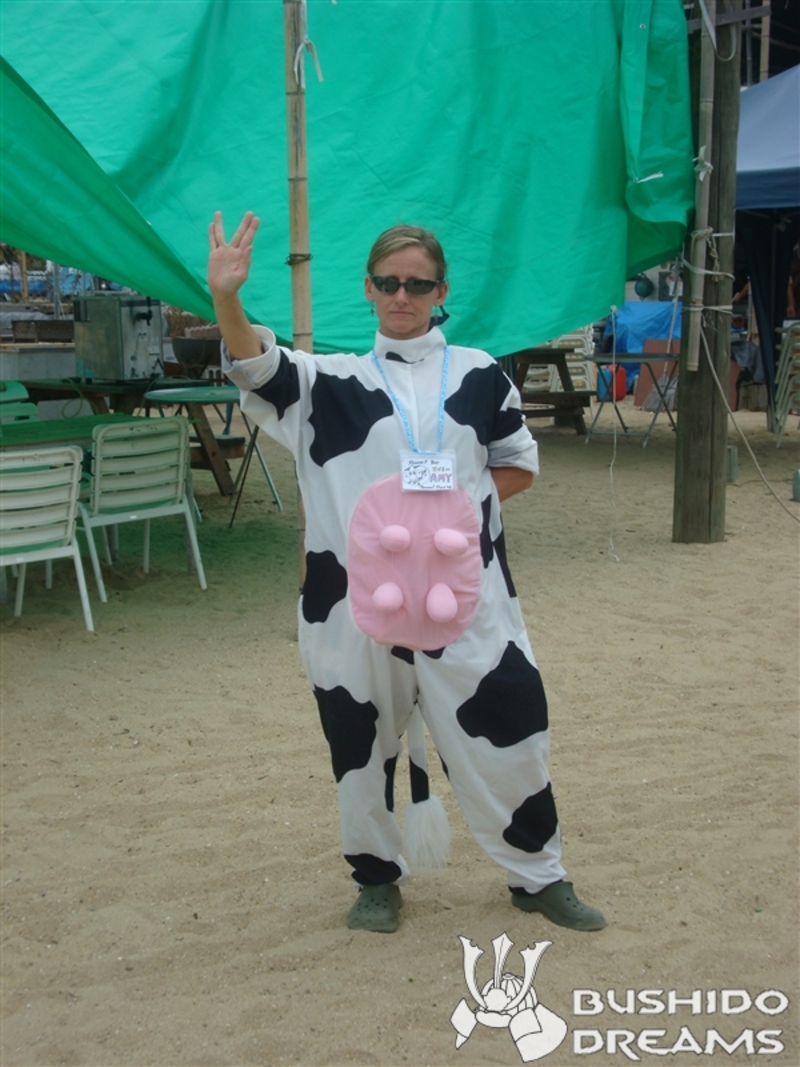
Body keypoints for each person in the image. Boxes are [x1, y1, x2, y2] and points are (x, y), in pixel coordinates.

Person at [208, 210, 606, 934]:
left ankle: (537, 873)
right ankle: (376, 877)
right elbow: (258, 366)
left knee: (512, 725)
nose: (402, 296)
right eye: (389, 282)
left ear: (440, 292)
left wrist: (447, 512)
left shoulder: (480, 375)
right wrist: (226, 299)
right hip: (353, 605)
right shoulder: (329, 382)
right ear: (368, 288)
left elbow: (517, 466)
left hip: (467, 599)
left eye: (418, 284)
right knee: (358, 742)